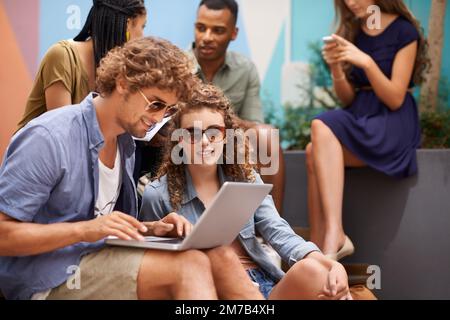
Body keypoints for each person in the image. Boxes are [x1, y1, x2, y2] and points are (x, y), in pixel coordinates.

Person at [0, 37, 262, 300]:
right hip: (48, 276)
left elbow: (106, 227)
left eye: (169, 111)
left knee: (219, 253)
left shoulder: (125, 144)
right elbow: (4, 235)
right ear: (123, 82)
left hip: (97, 258)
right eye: (156, 104)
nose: (159, 118)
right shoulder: (49, 137)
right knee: (189, 266)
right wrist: (87, 229)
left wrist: (150, 228)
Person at [140, 84, 352, 300]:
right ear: (179, 139)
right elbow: (151, 268)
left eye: (214, 132)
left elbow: (278, 231)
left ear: (226, 136)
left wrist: (328, 263)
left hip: (265, 284)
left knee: (316, 272)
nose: (204, 142)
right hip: (212, 292)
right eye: (192, 133)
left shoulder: (246, 179)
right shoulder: (157, 195)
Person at [307, 0, 429, 260]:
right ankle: (317, 247)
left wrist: (366, 62)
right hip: (360, 114)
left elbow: (395, 97)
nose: (350, 2)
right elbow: (348, 100)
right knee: (311, 151)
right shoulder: (351, 31)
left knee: (319, 125)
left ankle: (334, 234)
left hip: (391, 121)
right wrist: (336, 68)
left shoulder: (404, 31)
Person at [189, 0, 286, 213]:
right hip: (185, 144)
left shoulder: (245, 69)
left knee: (267, 136)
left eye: (218, 30)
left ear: (234, 33)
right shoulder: (178, 66)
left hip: (229, 145)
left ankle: (272, 225)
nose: (206, 37)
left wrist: (223, 123)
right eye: (201, 28)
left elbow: (254, 126)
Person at [17, 0, 148, 130]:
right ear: (127, 25)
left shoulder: (120, 73)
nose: (143, 37)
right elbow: (64, 132)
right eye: (142, 27)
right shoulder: (62, 56)